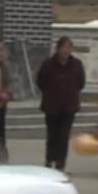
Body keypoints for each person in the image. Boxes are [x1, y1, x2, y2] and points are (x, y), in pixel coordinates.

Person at [36, 36, 86, 171]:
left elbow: (80, 83)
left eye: (69, 48)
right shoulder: (48, 64)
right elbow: (41, 81)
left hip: (68, 105)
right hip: (52, 104)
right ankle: (49, 159)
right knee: (52, 134)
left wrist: (70, 92)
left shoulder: (76, 64)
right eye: (64, 48)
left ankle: (60, 162)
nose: (67, 51)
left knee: (64, 135)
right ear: (58, 49)